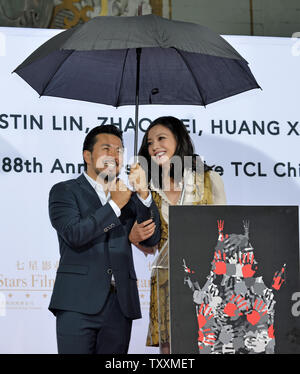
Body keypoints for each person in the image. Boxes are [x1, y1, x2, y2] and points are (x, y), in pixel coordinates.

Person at [48, 125, 161, 354]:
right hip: (77, 302)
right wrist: (114, 205)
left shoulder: (129, 196)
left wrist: (144, 194)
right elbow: (74, 234)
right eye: (106, 148)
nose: (114, 155)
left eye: (119, 150)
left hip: (119, 306)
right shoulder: (64, 191)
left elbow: (152, 239)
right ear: (87, 155)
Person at [129, 116, 226, 353]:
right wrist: (133, 236)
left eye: (161, 138)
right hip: (166, 282)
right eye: (149, 142)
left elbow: (224, 228)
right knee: (170, 350)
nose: (154, 146)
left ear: (179, 141)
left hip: (206, 280)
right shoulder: (146, 186)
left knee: (208, 343)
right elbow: (150, 243)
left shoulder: (208, 179)